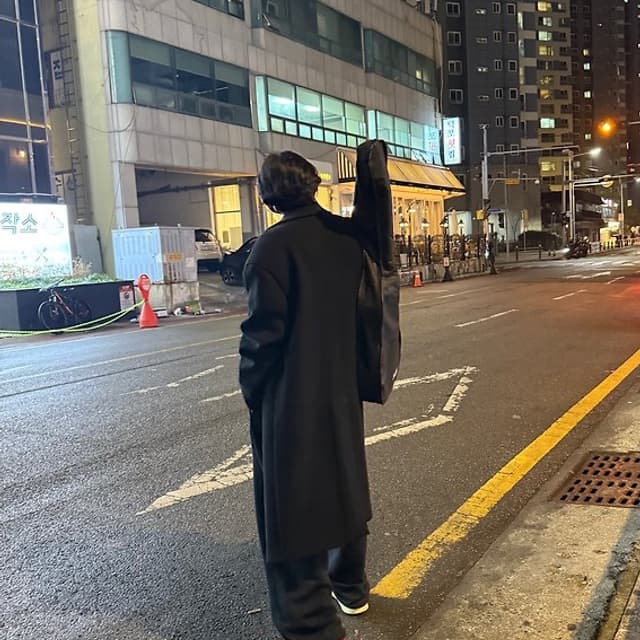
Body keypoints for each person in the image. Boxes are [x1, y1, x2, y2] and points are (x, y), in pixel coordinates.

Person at [239, 151, 371, 640]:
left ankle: (309, 622)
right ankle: (350, 585)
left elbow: (262, 336)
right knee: (342, 478)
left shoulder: (271, 249)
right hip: (342, 386)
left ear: (269, 194)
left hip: (290, 395)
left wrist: (252, 389)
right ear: (313, 185)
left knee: (292, 501)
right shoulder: (348, 236)